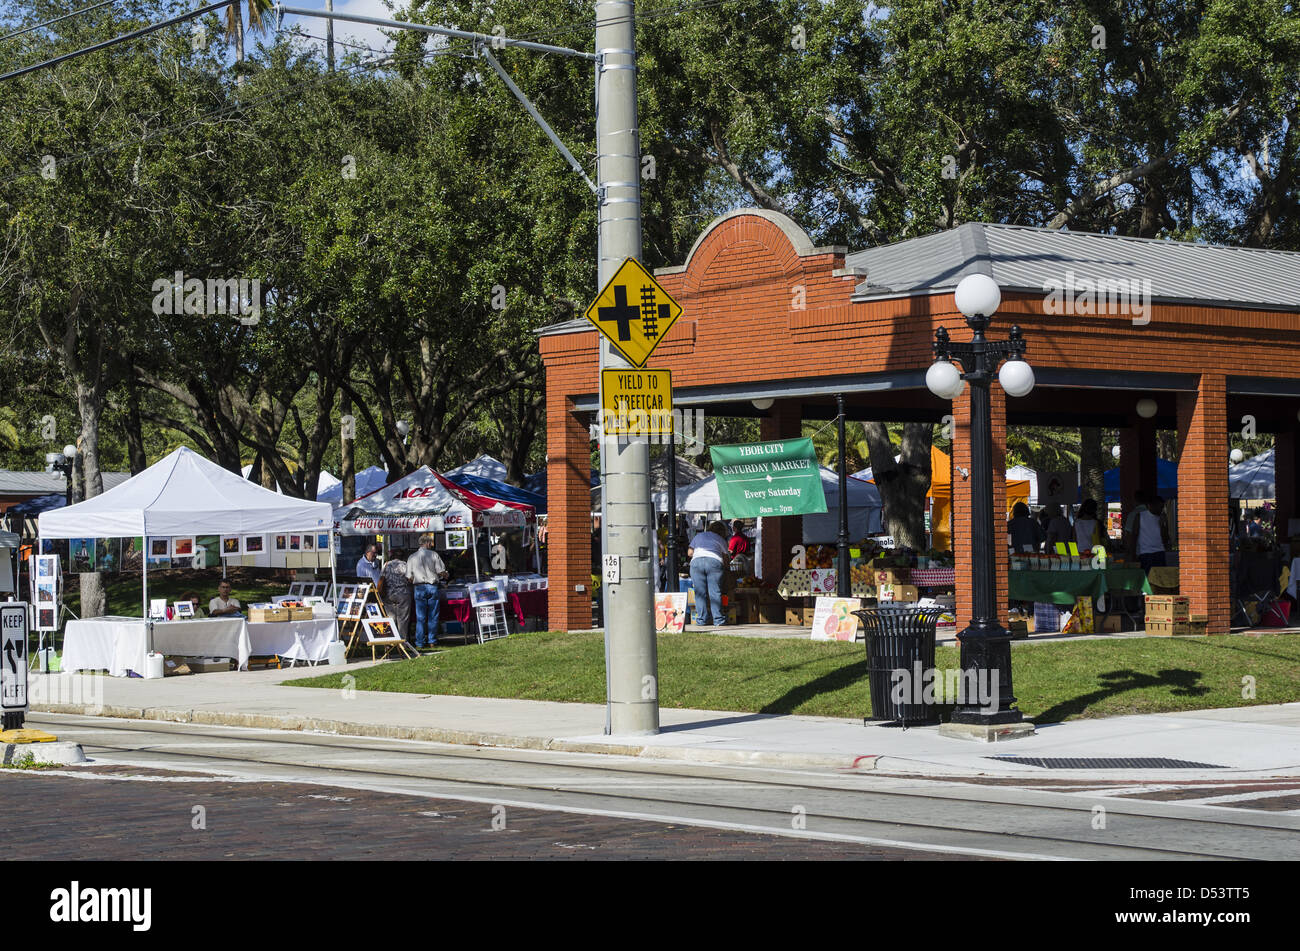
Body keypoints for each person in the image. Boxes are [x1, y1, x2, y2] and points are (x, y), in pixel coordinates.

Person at [407, 533, 447, 648]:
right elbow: (441, 572)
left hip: (419, 588)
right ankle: (432, 641)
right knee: (433, 616)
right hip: (432, 586)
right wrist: (445, 575)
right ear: (428, 543)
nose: (431, 545)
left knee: (420, 618)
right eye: (431, 543)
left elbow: (409, 577)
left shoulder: (412, 557)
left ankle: (419, 642)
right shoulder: (434, 554)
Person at [687, 520, 730, 626]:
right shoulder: (721, 539)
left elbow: (690, 553)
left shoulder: (699, 536)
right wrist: (727, 568)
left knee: (700, 593)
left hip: (696, 562)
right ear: (722, 531)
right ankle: (718, 620)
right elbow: (725, 557)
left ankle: (701, 620)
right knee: (715, 592)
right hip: (714, 562)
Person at [377, 548, 414, 642]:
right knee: (403, 620)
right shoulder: (406, 565)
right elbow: (411, 580)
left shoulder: (386, 565)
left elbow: (382, 579)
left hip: (389, 594)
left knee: (390, 619)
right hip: (403, 594)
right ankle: (403, 643)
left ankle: (391, 642)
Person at [1132, 495, 1171, 571]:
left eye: (1162, 507)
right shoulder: (1140, 516)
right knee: (1148, 579)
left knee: (1160, 580)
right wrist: (1133, 554)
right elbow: (1133, 536)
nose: (1161, 509)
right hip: (1146, 554)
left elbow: (1165, 539)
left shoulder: (1160, 518)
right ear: (1152, 505)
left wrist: (1164, 525)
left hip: (1160, 553)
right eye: (1160, 507)